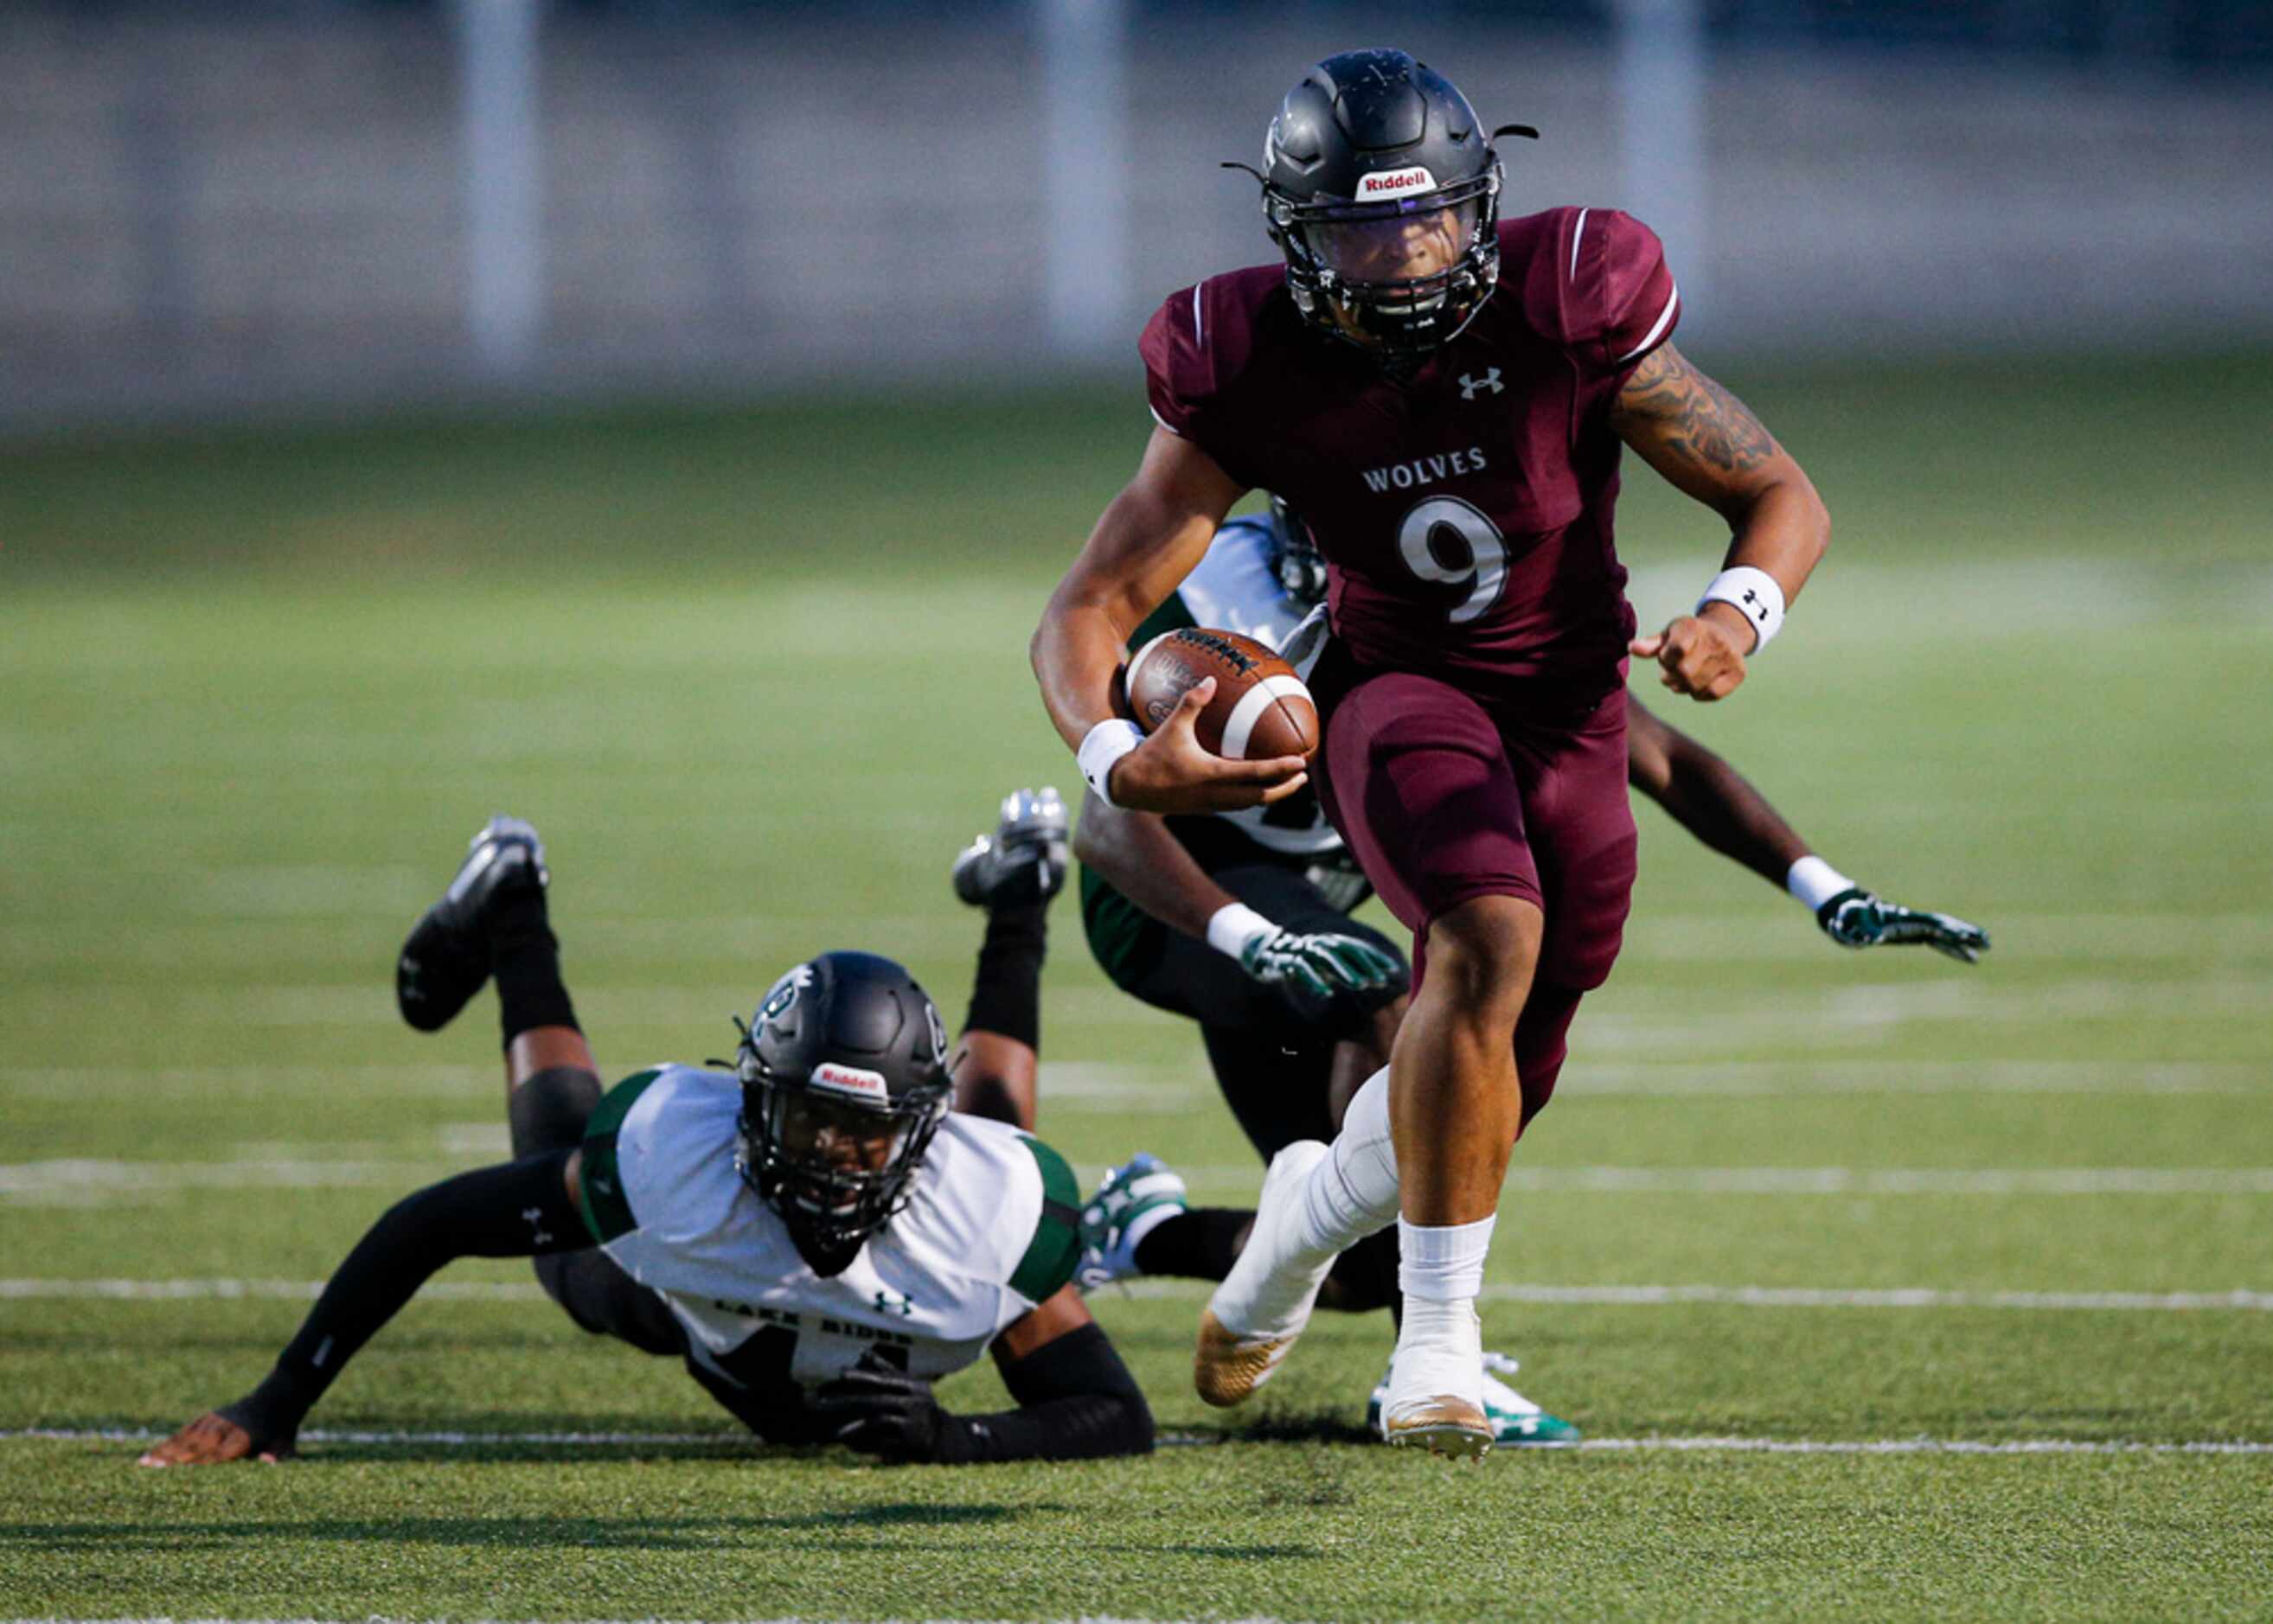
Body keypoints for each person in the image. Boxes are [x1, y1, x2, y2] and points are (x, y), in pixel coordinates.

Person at [1029, 48, 1834, 1456]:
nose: (1402, 256)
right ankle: (1434, 1349)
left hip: (1570, 709)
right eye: (1358, 225)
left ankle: (1296, 1224)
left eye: (1428, 218)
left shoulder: (1570, 294)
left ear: (1480, 205)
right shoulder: (1247, 358)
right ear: (1293, 232)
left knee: (1507, 1049)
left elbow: (1772, 490)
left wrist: (1735, 610)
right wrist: (1109, 751)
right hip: (1397, 689)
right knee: (1483, 937)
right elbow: (1088, 604)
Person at [1067, 502, 1986, 1447]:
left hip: (1307, 910)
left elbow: (1655, 752)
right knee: (1393, 1003)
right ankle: (1425, 1358)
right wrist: (1250, 938)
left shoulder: (1435, 608)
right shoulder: (1209, 591)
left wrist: (1820, 886)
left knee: (1361, 1244)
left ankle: (1146, 1233)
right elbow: (1104, 825)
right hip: (1177, 899)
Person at [137, 815, 1152, 1469]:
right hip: (689, 1323)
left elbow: (1112, 1415)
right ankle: (514, 911)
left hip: (800, 1312)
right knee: (571, 1262)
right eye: (811, 1119)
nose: (835, 1154)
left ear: (914, 1139)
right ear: (755, 1105)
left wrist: (952, 1438)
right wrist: (277, 1401)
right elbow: (433, 1222)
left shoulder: (983, 1214)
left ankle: (1020, 896)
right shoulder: (674, 1163)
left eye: (866, 1133)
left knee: (999, 1138)